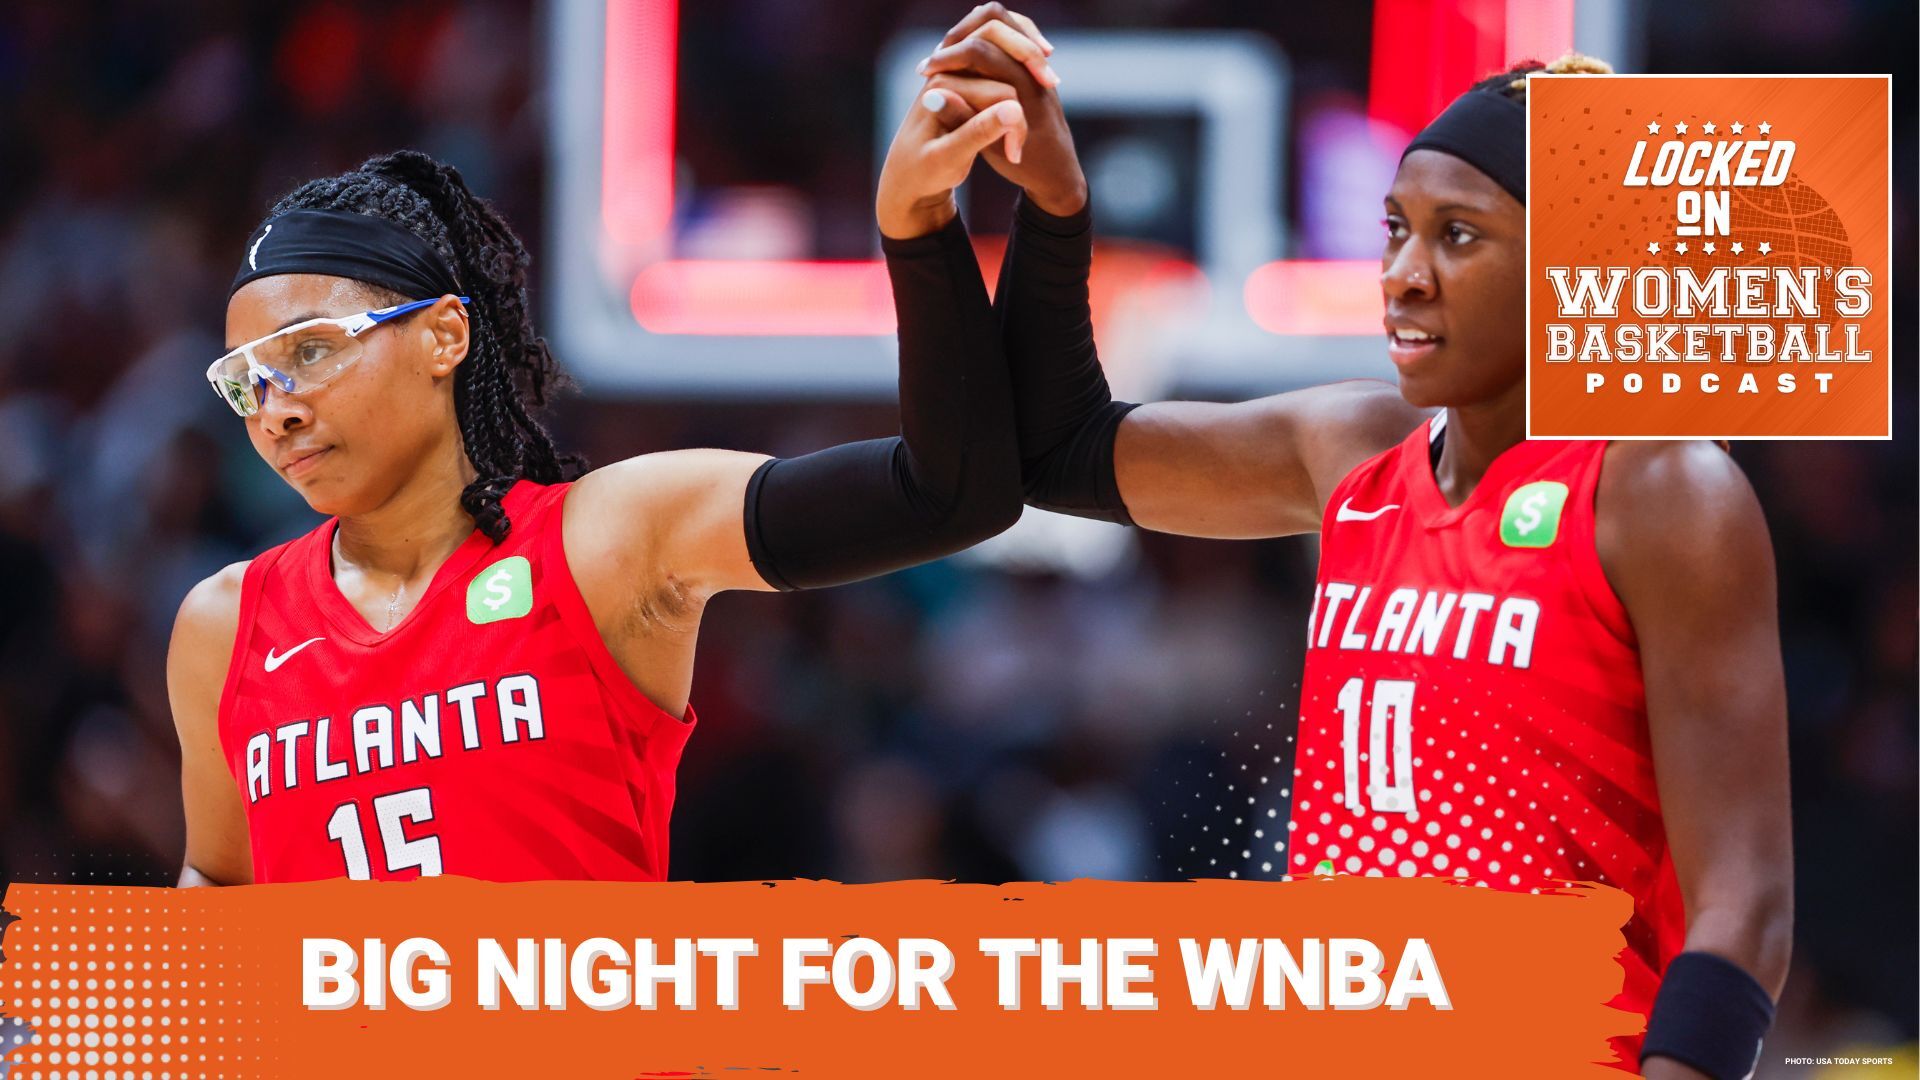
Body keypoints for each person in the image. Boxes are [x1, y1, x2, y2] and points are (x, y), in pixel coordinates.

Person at [916, 8, 1791, 1077]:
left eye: (1458, 236)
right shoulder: (1353, 449)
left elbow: (1745, 906)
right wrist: (1052, 208)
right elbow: (1052, 454)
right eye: (1395, 229)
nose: (1404, 275)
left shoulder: (1661, 488)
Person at [167, 83, 1040, 884]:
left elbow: (951, 491)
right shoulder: (223, 624)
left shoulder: (604, 541)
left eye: (309, 351)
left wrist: (918, 227)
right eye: (248, 380)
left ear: (441, 336)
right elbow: (218, 885)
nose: (274, 411)